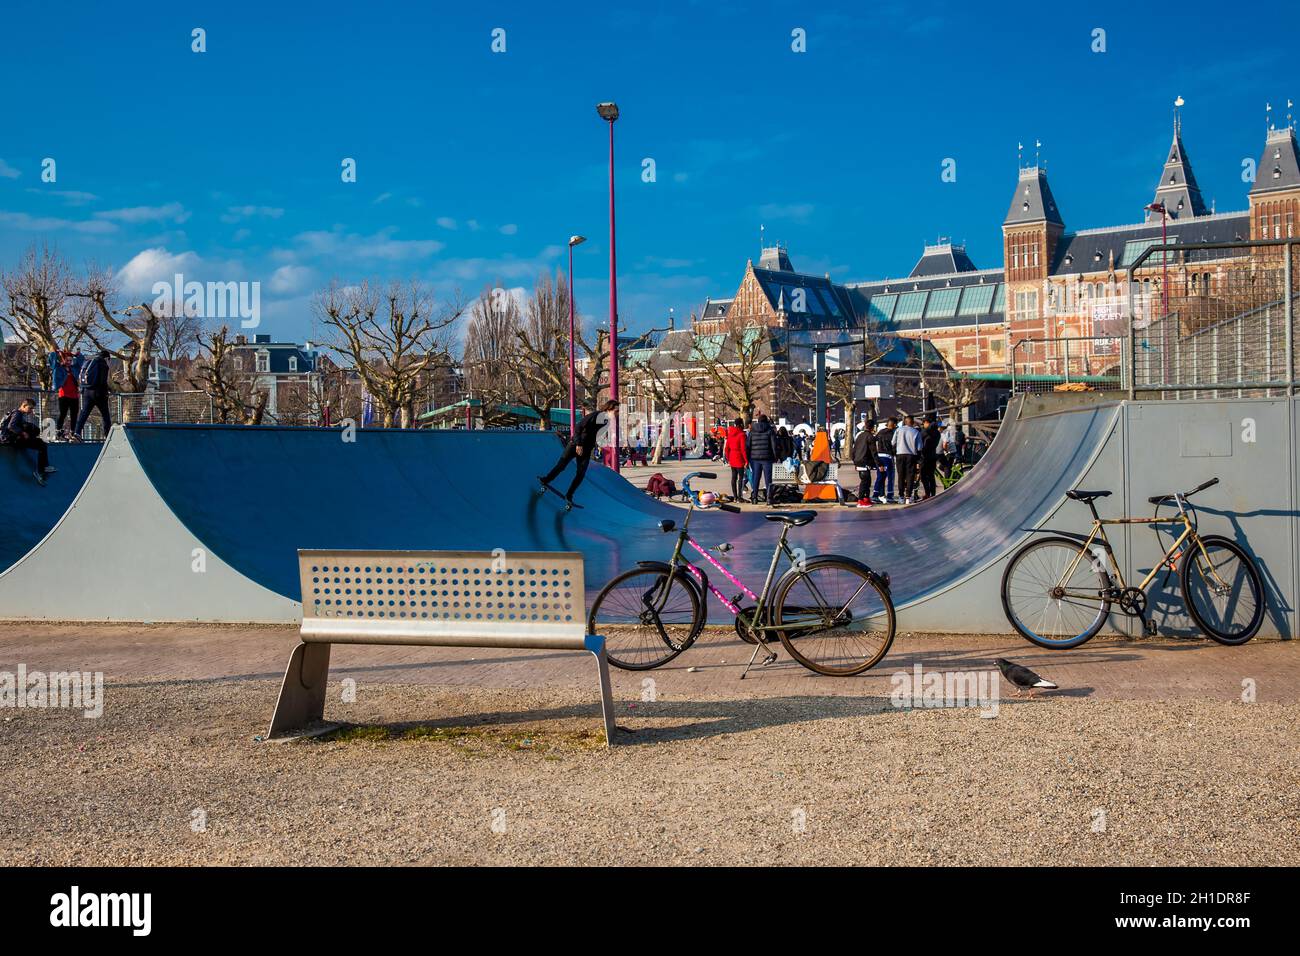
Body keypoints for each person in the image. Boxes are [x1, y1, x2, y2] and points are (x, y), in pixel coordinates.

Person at [538, 398, 617, 503]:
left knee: (581, 473)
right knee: (561, 466)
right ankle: (546, 480)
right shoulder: (596, 415)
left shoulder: (607, 422)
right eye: (616, 411)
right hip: (575, 445)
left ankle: (569, 495)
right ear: (609, 409)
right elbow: (578, 427)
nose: (618, 414)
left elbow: (594, 434)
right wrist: (578, 444)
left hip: (586, 449)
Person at [1, 398, 56, 486]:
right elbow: (11, 426)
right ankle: (42, 470)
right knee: (41, 444)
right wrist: (22, 433)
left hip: (8, 438)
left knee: (32, 430)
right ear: (23, 405)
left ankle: (44, 467)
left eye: (32, 409)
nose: (31, 411)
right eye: (30, 408)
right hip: (12, 440)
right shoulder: (17, 414)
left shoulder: (13, 412)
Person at [73, 348, 113, 439]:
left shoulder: (89, 362)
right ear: (107, 358)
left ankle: (77, 433)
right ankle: (108, 436)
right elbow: (103, 381)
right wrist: (107, 392)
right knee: (105, 415)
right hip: (99, 393)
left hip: (87, 392)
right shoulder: (103, 364)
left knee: (84, 413)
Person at [48, 349, 84, 440]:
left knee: (74, 414)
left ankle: (73, 432)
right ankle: (58, 430)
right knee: (63, 413)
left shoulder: (74, 369)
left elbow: (80, 361)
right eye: (67, 360)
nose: (69, 362)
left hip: (74, 395)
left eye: (70, 360)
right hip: (63, 394)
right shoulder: (58, 367)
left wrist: (77, 354)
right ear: (63, 360)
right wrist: (55, 352)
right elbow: (52, 360)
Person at [745, 413, 777, 505]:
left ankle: (754, 498)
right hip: (767, 458)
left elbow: (748, 445)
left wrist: (747, 458)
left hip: (755, 459)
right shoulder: (770, 430)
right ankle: (769, 498)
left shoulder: (752, 431)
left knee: (756, 478)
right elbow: (773, 445)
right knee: (768, 479)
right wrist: (775, 456)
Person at [893, 413, 923, 504]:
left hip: (900, 454)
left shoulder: (898, 430)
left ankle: (901, 497)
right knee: (910, 476)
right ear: (913, 422)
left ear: (904, 422)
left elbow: (893, 442)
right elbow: (919, 447)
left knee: (901, 476)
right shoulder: (916, 432)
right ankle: (908, 497)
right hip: (911, 455)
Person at [851, 420, 880, 508]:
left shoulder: (860, 436)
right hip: (864, 461)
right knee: (865, 481)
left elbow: (854, 450)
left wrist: (854, 461)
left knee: (867, 480)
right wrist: (879, 464)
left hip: (858, 460)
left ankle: (866, 498)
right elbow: (873, 452)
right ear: (873, 427)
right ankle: (860, 500)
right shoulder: (870, 437)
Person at [723, 417, 749, 502]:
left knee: (733, 477)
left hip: (732, 458)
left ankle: (735, 497)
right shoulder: (742, 435)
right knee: (741, 478)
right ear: (741, 424)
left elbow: (726, 449)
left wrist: (728, 458)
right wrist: (746, 460)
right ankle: (739, 497)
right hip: (739, 458)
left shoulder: (730, 434)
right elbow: (743, 449)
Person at [874, 417, 897, 503]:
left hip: (879, 456)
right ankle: (890, 496)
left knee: (880, 476)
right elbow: (894, 446)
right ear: (894, 425)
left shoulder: (880, 432)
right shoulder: (893, 433)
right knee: (890, 477)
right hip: (888, 456)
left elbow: (875, 441)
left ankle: (876, 495)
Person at [919, 415, 941, 499]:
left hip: (924, 456)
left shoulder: (925, 432)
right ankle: (933, 494)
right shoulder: (937, 432)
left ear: (926, 423)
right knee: (931, 475)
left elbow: (920, 441)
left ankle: (927, 493)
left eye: (923, 423)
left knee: (923, 476)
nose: (923, 425)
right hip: (933, 455)